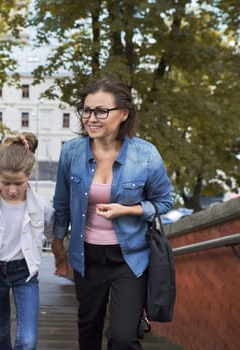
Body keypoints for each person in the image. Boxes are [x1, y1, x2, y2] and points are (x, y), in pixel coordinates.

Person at [51, 78, 173, 350]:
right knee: (88, 330)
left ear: (125, 113)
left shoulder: (145, 155)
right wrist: (58, 245)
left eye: (101, 111)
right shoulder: (71, 153)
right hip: (86, 257)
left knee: (122, 337)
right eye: (86, 110)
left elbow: (164, 201)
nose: (91, 118)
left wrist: (129, 210)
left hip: (129, 258)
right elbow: (61, 204)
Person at [0, 132, 54, 350]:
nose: (12, 189)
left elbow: (54, 234)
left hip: (25, 272)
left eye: (19, 183)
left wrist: (63, 258)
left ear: (29, 176)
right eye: (6, 182)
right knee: (0, 332)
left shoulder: (42, 206)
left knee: (27, 341)